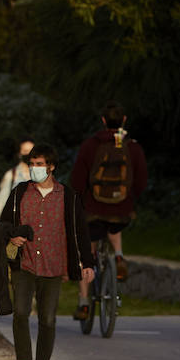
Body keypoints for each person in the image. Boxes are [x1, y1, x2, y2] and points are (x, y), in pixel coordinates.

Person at [0, 145, 95, 360]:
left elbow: (81, 232)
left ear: (51, 167)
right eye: (32, 164)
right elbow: (4, 223)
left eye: (40, 164)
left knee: (48, 319)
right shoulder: (20, 192)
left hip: (53, 266)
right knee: (20, 313)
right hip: (24, 263)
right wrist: (12, 236)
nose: (35, 169)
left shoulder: (69, 197)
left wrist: (87, 262)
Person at [71, 103, 147, 319]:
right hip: (122, 209)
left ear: (103, 121)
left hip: (93, 209)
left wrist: (80, 201)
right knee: (114, 223)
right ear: (124, 120)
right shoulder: (132, 147)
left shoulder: (90, 145)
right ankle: (119, 257)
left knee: (87, 252)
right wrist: (131, 199)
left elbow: (77, 179)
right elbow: (141, 179)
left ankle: (84, 303)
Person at [0, 138, 35, 232]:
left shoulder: (40, 176)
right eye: (25, 151)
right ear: (19, 154)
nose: (29, 154)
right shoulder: (12, 175)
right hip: (15, 230)